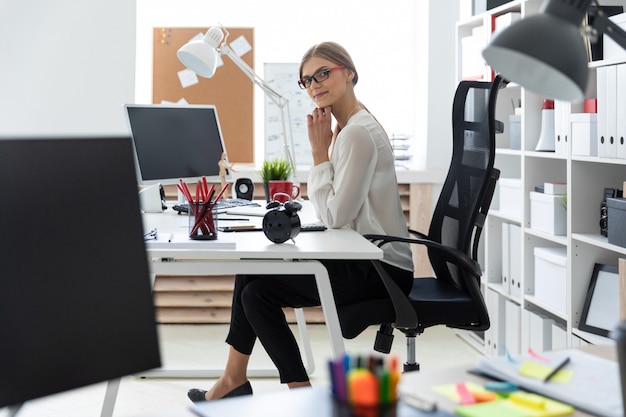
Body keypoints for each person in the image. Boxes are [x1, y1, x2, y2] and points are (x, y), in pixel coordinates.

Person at [187, 41, 414, 403]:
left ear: (349, 73)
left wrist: (318, 154)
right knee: (252, 278)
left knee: (256, 291)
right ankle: (242, 382)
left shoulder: (356, 133)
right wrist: (323, 156)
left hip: (380, 271)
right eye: (306, 80)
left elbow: (337, 216)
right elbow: (338, 209)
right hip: (363, 258)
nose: (313, 85)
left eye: (323, 74)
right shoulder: (348, 128)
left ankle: (280, 391)